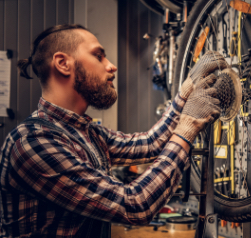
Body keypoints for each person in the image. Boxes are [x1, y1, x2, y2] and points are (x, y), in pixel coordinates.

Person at [0, 24, 228, 237]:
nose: (111, 65)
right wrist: (186, 130)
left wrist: (188, 88)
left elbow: (150, 143)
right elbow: (135, 205)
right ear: (63, 63)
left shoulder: (85, 131)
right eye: (98, 56)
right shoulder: (31, 142)